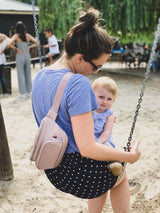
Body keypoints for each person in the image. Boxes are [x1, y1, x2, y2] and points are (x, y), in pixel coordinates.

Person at [32, 7, 141, 213]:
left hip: (52, 167)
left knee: (106, 170)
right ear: (80, 58)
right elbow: (88, 149)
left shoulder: (41, 76)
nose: (95, 72)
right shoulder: (78, 84)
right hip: (79, 173)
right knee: (120, 174)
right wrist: (129, 157)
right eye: (95, 66)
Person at [8, 21, 37, 98]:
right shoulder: (27, 36)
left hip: (20, 55)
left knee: (20, 73)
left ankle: (23, 93)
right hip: (27, 55)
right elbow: (36, 42)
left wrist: (16, 48)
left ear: (16, 28)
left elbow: (9, 44)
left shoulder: (16, 36)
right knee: (28, 73)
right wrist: (29, 47)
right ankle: (29, 92)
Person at [92, 77, 117, 148]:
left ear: (113, 100)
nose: (105, 102)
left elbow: (106, 132)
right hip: (88, 140)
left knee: (107, 148)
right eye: (101, 97)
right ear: (92, 95)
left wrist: (97, 144)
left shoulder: (109, 115)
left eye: (109, 99)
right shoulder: (89, 110)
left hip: (103, 141)